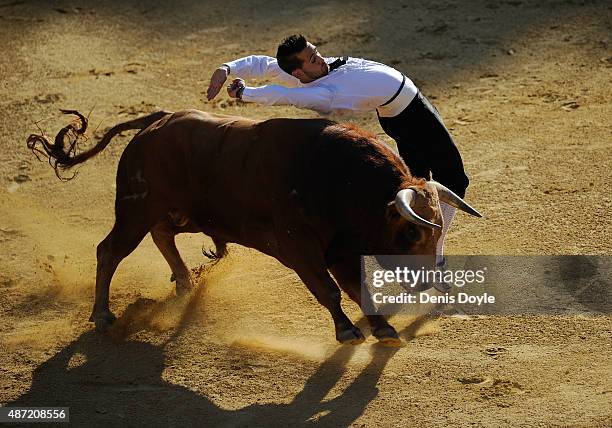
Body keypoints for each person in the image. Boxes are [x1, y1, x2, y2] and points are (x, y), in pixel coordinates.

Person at [207, 34, 470, 266]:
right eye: (312, 59)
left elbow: (262, 64)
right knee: (455, 179)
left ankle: (416, 249)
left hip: (396, 114)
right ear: (298, 73)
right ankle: (434, 251)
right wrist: (246, 93)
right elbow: (282, 95)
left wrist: (227, 67)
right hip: (413, 114)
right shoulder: (321, 93)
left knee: (417, 186)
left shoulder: (312, 72)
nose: (320, 58)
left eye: (315, 51)